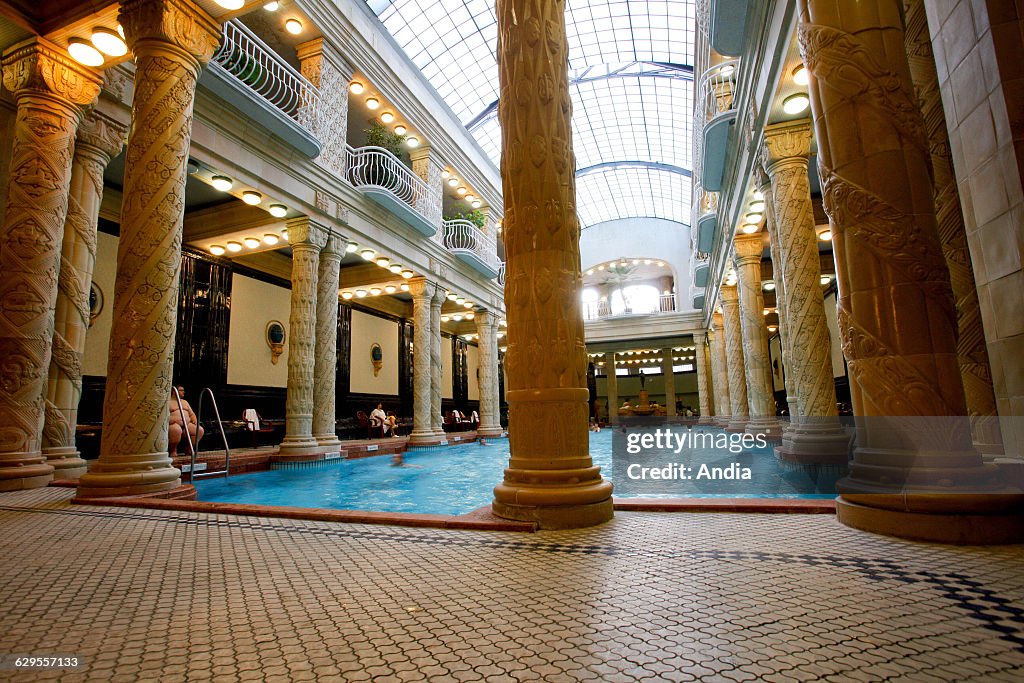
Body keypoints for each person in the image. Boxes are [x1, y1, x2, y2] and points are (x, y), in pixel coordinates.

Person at [169, 385, 203, 457]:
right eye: (181, 390)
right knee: (176, 430)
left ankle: (189, 449)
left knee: (199, 430)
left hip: (186, 425)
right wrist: (171, 420)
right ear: (174, 391)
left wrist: (194, 419)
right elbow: (163, 415)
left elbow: (192, 414)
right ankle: (173, 450)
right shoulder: (168, 402)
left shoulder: (185, 402)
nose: (183, 392)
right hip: (173, 424)